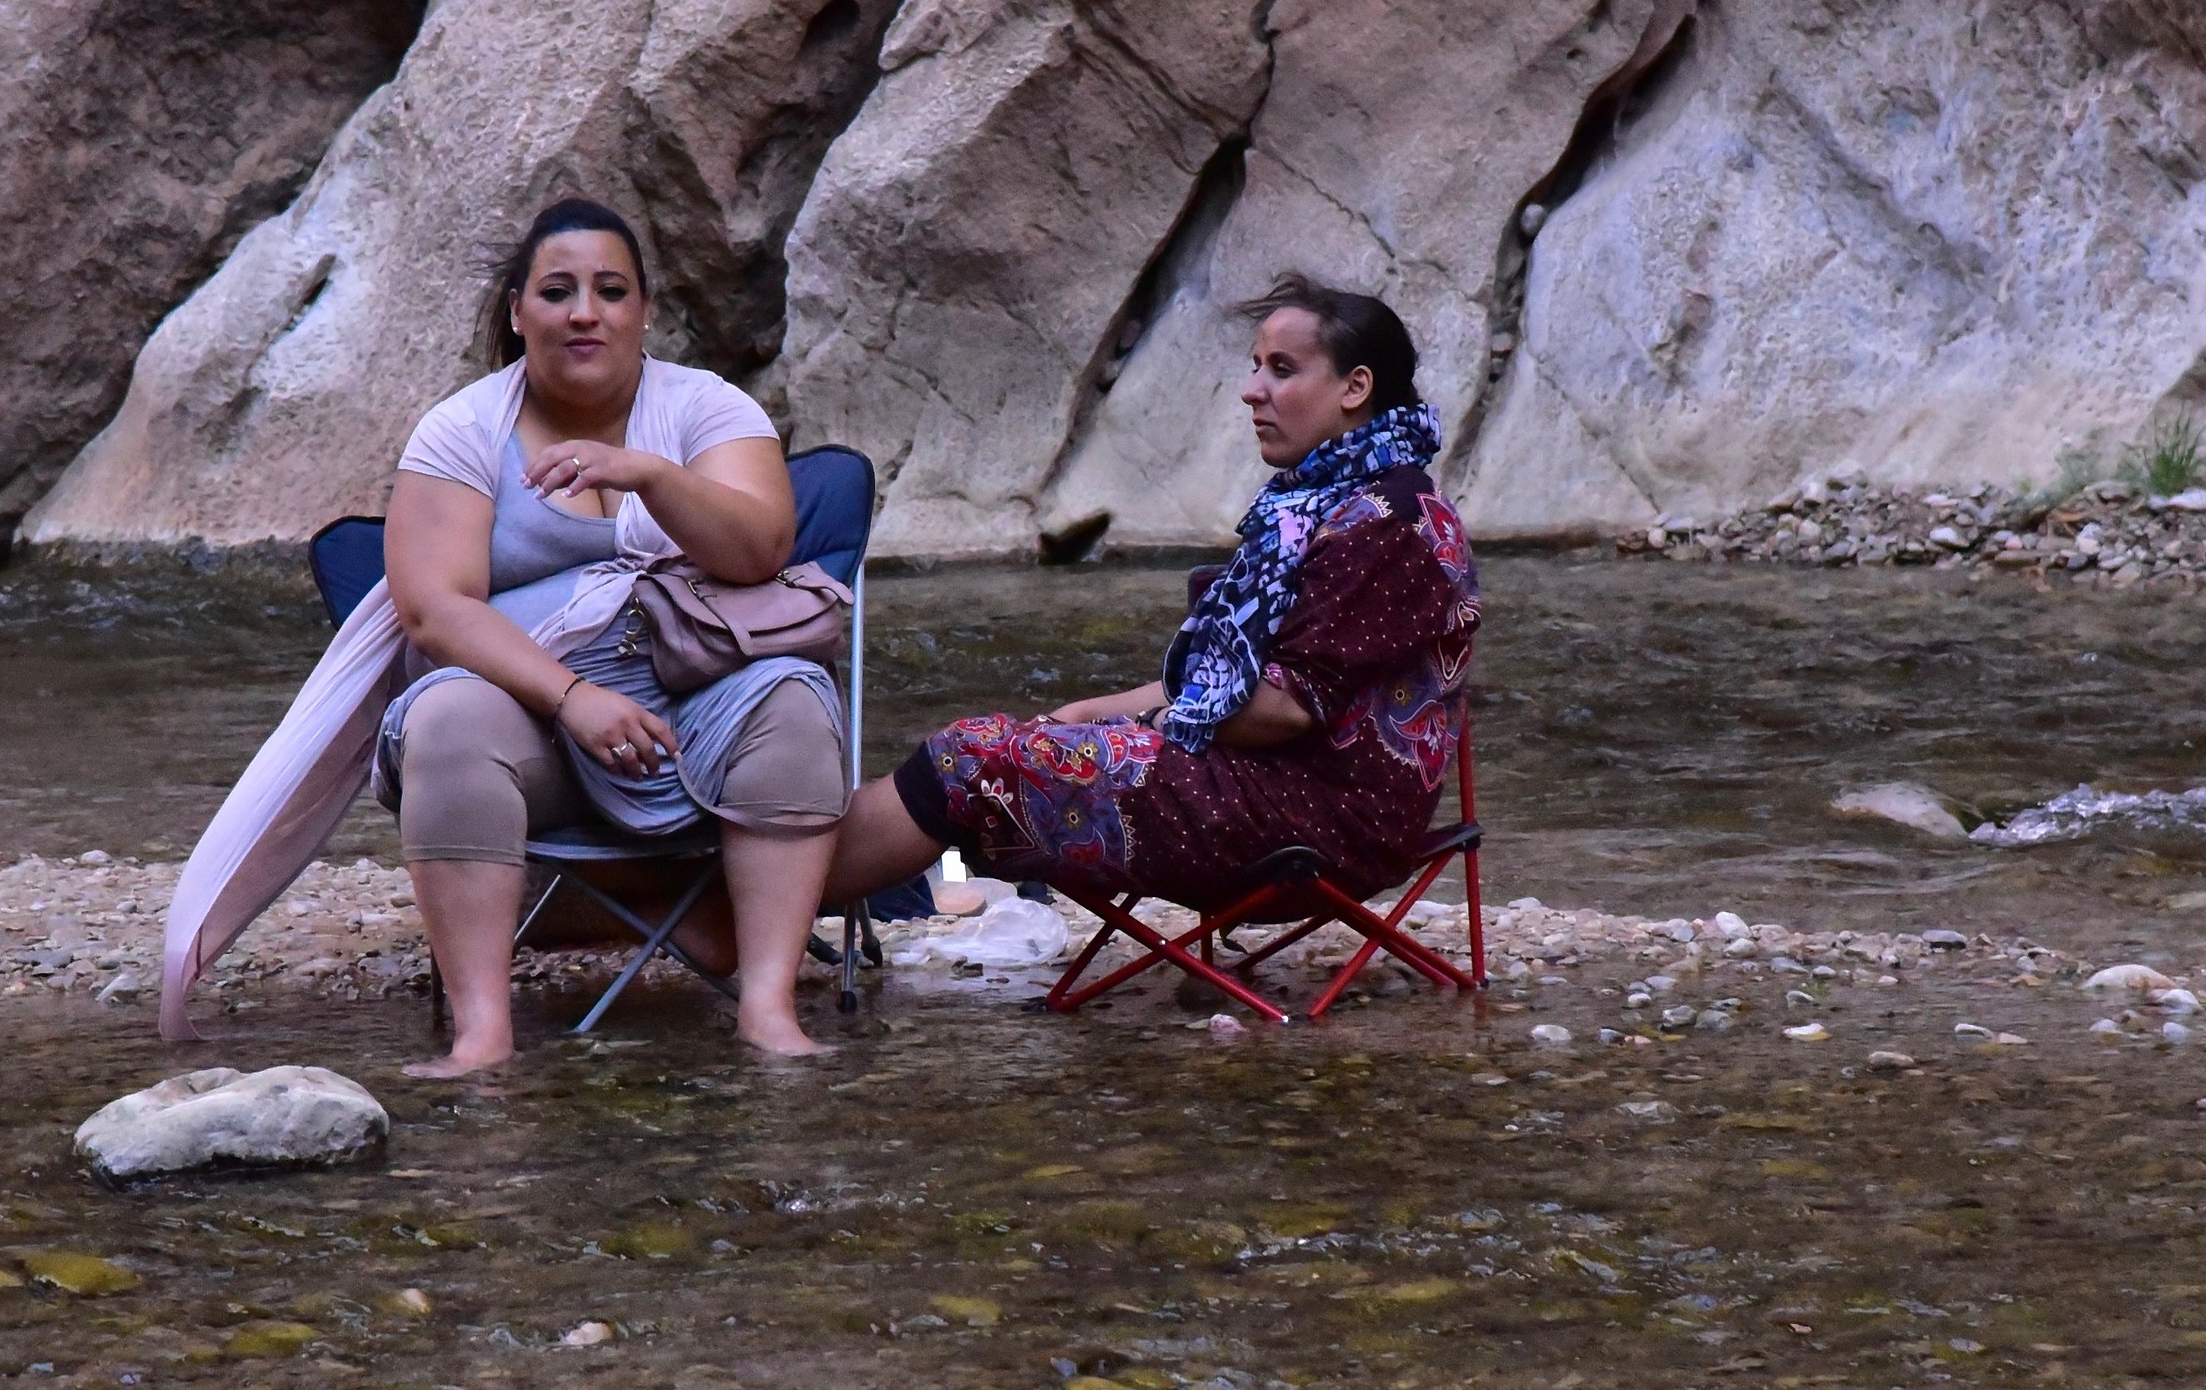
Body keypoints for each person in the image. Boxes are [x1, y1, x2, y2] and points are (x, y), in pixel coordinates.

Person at [810, 274, 1480, 919]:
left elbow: (1280, 709)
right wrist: (1088, 712)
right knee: (1006, 748)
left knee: (969, 760)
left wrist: (1132, 724)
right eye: (1255, 367)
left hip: (1318, 822)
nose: (1252, 391)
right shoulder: (1331, 503)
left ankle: (756, 909)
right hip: (1275, 788)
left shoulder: (1386, 522)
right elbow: (1222, 691)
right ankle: (817, 892)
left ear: (1354, 387)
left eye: (1281, 369)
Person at [377, 197, 847, 1075]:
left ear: (643, 312)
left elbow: (761, 551)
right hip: (530, 727)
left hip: (693, 713)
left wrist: (650, 476)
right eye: (558, 291)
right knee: (444, 718)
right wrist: (572, 697)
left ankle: (768, 1009)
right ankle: (483, 1033)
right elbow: (433, 611)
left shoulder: (707, 407)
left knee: (793, 695)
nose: (584, 311)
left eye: (609, 290)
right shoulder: (462, 429)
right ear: (518, 313)